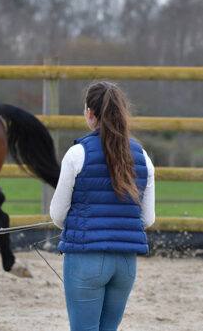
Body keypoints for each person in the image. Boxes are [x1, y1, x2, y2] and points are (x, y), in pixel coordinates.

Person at [50, 81, 156, 331]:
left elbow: (57, 215)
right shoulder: (143, 156)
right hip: (126, 265)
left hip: (86, 258)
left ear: (89, 112)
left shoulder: (77, 153)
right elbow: (147, 219)